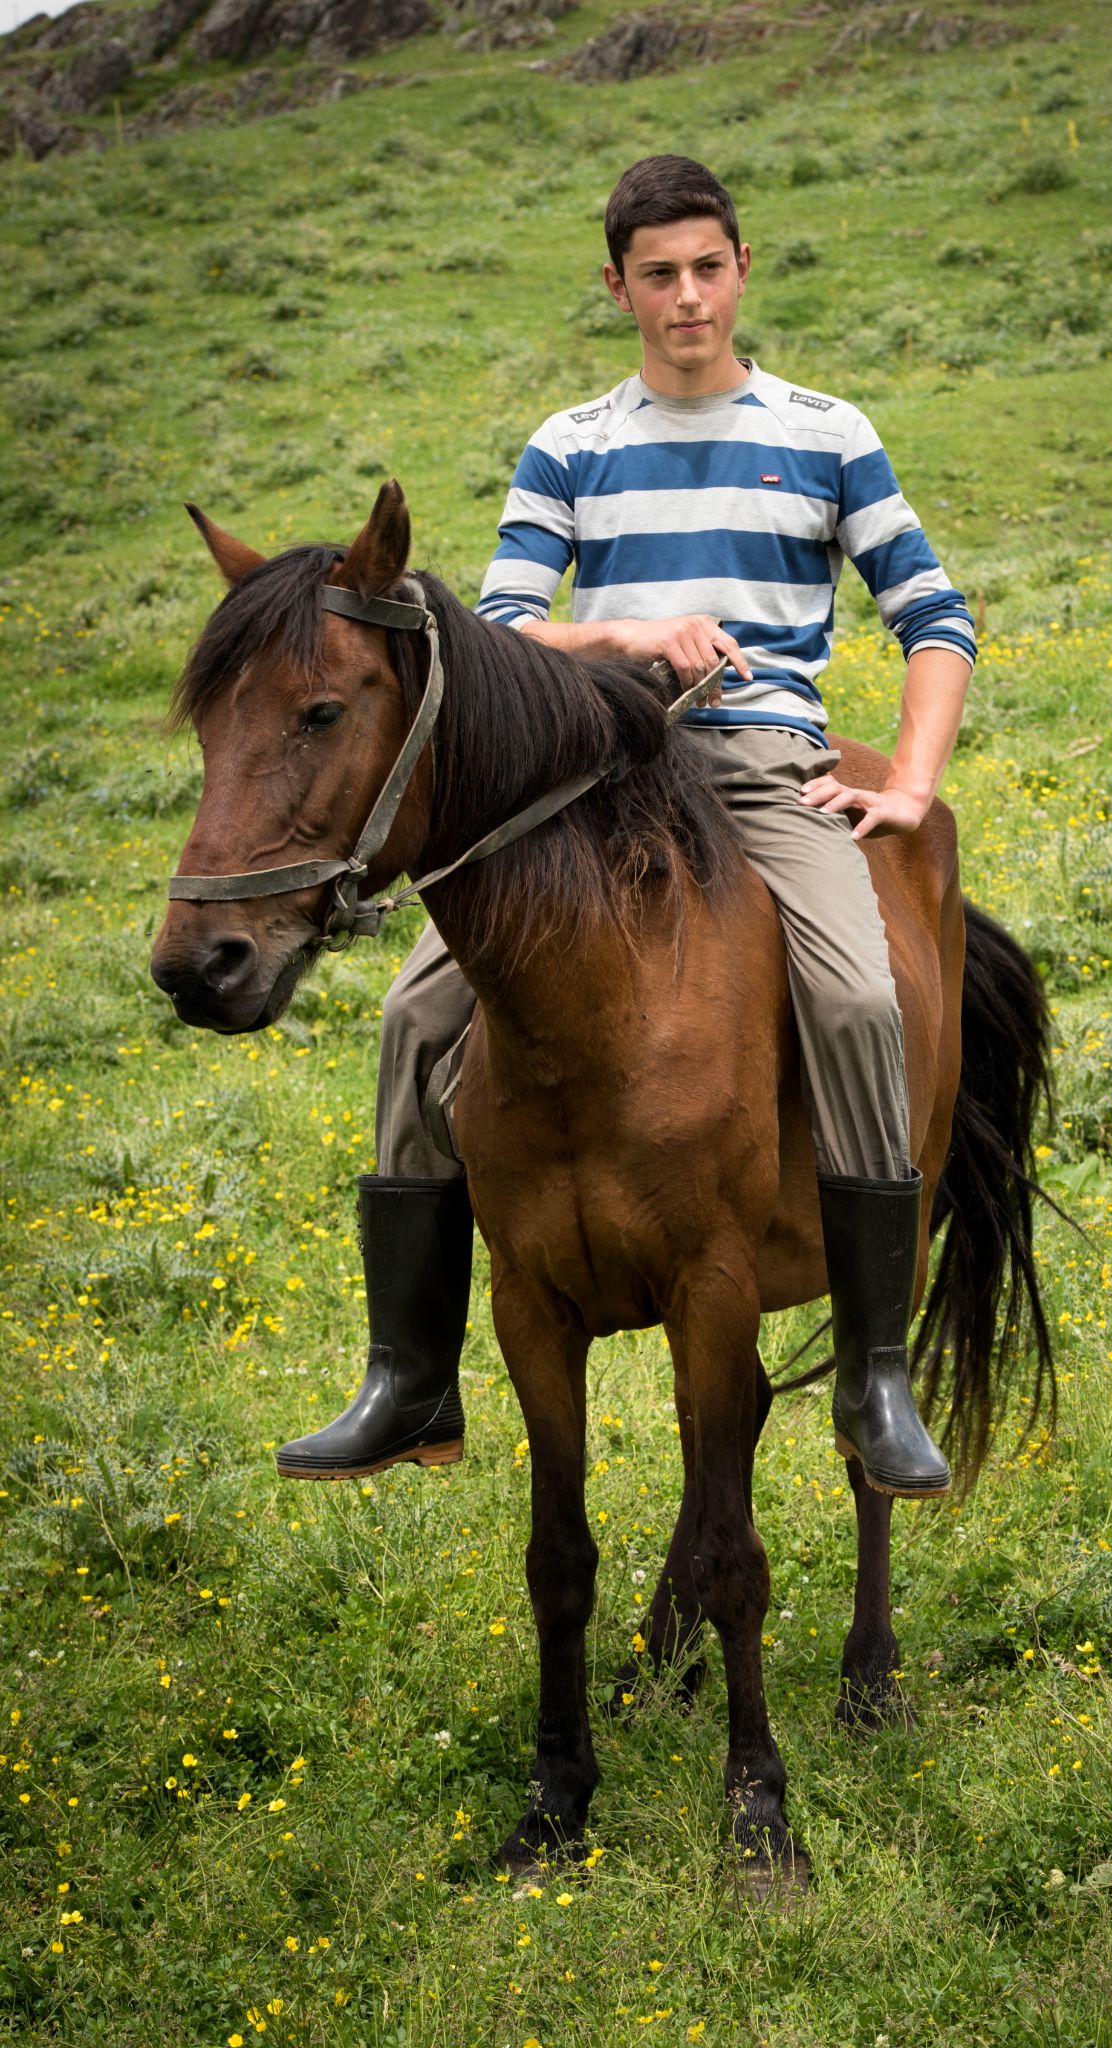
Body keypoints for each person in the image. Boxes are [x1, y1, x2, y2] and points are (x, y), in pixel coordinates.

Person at [275, 155, 976, 1497]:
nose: (686, 297)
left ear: (740, 271)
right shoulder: (573, 441)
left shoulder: (827, 430)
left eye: (707, 267)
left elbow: (932, 620)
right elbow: (498, 629)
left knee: (860, 1001)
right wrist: (624, 634)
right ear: (616, 288)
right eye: (657, 274)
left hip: (766, 768)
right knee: (417, 1015)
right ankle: (406, 1375)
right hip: (591, 774)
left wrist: (912, 783)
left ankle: (876, 1370)